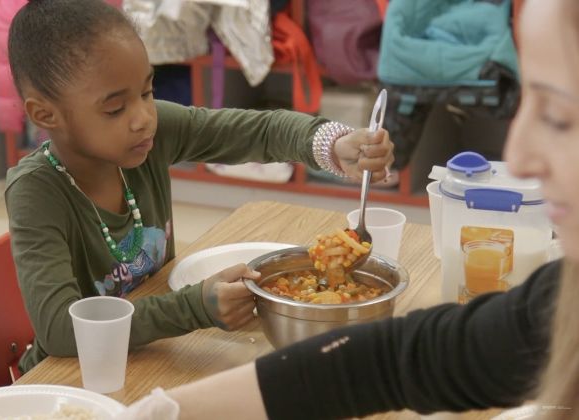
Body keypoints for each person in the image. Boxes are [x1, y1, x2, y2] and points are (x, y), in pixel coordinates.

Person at [116, 0, 578, 418]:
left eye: (557, 115)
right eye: (524, 104)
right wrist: (169, 409)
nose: (516, 156)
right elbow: (393, 361)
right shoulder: (559, 305)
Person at [4, 0, 394, 373]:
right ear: (45, 114)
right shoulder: (36, 191)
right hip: (72, 378)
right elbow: (60, 330)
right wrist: (193, 309)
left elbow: (256, 130)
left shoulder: (147, 137)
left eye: (147, 92)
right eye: (115, 109)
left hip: (149, 354)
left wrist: (331, 145)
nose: (143, 118)